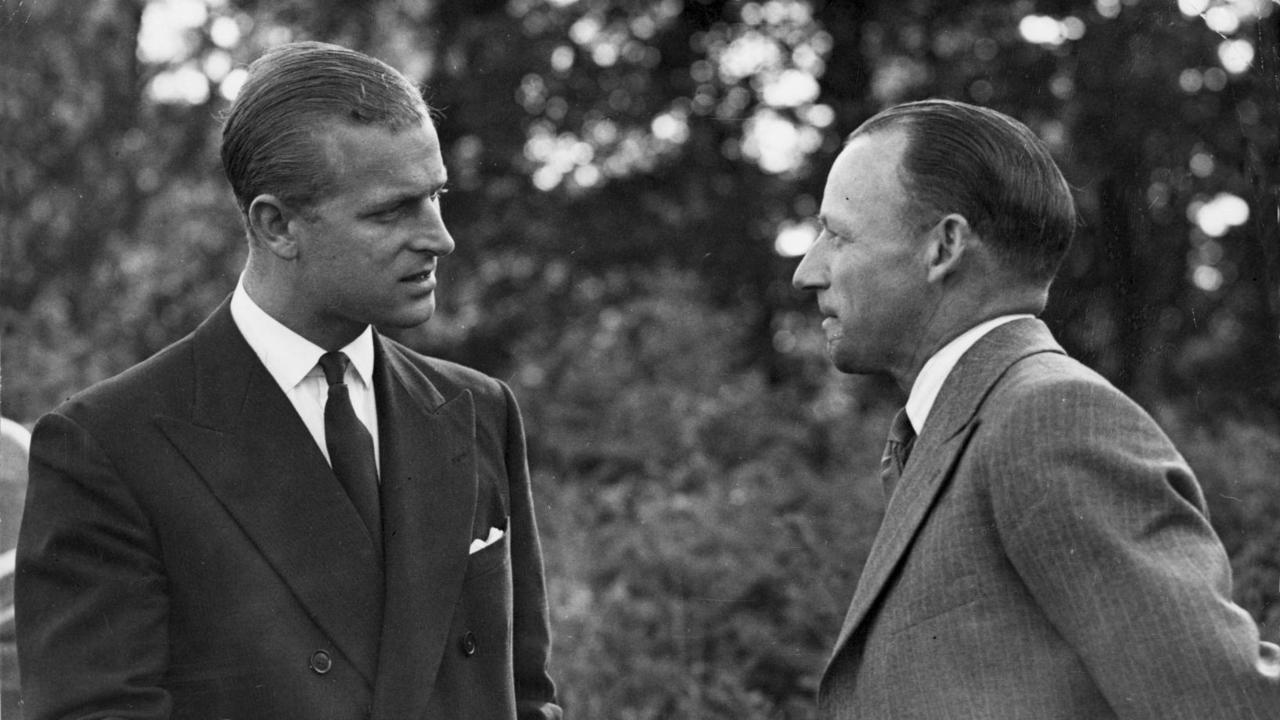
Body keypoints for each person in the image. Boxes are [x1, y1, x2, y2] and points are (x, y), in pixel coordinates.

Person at [16, 41, 561, 720]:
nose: (440, 237)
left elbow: (527, 694)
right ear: (276, 225)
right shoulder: (110, 445)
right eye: (392, 211)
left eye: (437, 196)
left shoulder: (478, 410)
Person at [792, 99, 1280, 719]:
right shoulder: (962, 422)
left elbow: (1225, 703)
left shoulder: (1049, 418)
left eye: (837, 234)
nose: (807, 272)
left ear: (944, 247)